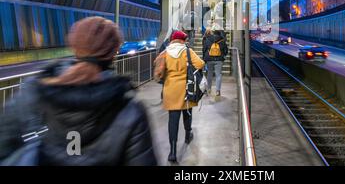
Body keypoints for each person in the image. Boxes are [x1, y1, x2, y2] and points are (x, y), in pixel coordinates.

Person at [0, 17, 157, 166]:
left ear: (74, 46)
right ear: (115, 51)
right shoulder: (130, 111)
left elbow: (4, 143)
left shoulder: (35, 90)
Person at [161, 30, 205, 162]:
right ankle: (187, 135)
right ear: (182, 41)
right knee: (187, 113)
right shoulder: (187, 51)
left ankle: (172, 151)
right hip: (186, 89)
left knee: (173, 121)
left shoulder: (165, 52)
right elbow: (200, 64)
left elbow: (160, 70)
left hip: (170, 89)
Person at [203, 29, 228, 96]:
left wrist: (204, 58)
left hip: (209, 59)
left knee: (209, 74)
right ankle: (217, 91)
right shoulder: (222, 40)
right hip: (219, 60)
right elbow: (226, 50)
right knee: (218, 75)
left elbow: (204, 49)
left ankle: (209, 89)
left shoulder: (207, 39)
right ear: (219, 34)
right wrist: (224, 55)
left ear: (213, 33)